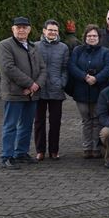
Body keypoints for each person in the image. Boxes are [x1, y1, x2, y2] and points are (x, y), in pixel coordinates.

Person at [0, 17, 47, 169]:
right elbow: (9, 68)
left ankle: (21, 153)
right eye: (18, 27)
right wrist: (30, 83)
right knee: (10, 126)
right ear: (13, 29)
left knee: (26, 125)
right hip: (14, 94)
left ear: (29, 30)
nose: (21, 30)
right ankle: (7, 156)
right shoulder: (5, 45)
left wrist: (36, 85)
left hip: (32, 94)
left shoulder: (33, 47)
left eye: (25, 27)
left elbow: (43, 68)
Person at [69, 25, 109, 159]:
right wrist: (85, 77)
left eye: (94, 36)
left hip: (99, 91)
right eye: (89, 36)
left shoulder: (106, 52)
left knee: (96, 120)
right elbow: (72, 66)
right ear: (85, 37)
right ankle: (86, 147)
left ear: (99, 38)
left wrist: (96, 78)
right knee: (86, 120)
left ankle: (95, 147)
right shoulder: (78, 50)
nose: (92, 38)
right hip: (81, 90)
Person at [34, 19, 69, 161]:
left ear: (57, 32)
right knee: (39, 122)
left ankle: (54, 150)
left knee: (55, 122)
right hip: (39, 89)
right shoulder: (35, 46)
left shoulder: (63, 48)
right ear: (44, 31)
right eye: (50, 30)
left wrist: (62, 83)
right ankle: (40, 150)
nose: (52, 32)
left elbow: (65, 68)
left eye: (55, 30)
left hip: (56, 89)